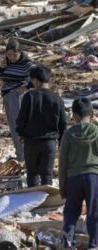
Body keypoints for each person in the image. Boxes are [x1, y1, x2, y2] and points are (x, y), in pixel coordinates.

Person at [16, 65, 66, 187]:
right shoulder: (57, 98)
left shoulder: (29, 96)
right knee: (47, 175)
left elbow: (21, 118)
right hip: (49, 143)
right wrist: (61, 143)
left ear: (35, 81)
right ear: (49, 80)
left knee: (32, 174)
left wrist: (20, 133)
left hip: (31, 142)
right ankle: (45, 202)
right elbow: (62, 124)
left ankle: (32, 203)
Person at [59, 98, 98, 248]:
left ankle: (68, 242)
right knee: (94, 213)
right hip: (93, 177)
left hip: (73, 178)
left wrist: (63, 188)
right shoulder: (96, 131)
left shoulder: (68, 134)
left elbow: (62, 163)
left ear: (74, 115)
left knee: (71, 212)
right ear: (92, 114)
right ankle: (94, 244)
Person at [0, 39, 35, 161]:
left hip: (18, 96)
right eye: (9, 55)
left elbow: (41, 76)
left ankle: (23, 155)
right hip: (8, 95)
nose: (12, 57)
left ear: (19, 52)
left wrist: (27, 87)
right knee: (13, 125)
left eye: (14, 55)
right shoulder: (7, 62)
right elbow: (2, 76)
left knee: (18, 125)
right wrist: (1, 67)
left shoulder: (27, 64)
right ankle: (21, 154)